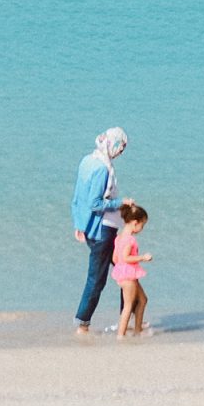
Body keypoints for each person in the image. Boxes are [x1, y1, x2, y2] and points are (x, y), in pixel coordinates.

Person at [71, 127, 130, 331]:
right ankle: (83, 322)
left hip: (95, 228)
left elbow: (78, 196)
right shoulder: (102, 169)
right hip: (102, 230)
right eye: (120, 148)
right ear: (111, 144)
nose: (120, 153)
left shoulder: (87, 161)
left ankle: (128, 317)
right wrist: (121, 203)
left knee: (127, 272)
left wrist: (79, 224)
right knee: (98, 278)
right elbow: (95, 203)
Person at [113, 203, 152, 338]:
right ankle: (120, 335)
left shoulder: (119, 237)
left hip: (123, 274)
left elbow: (115, 258)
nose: (142, 228)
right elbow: (125, 257)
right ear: (135, 223)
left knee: (143, 299)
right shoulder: (130, 239)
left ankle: (138, 330)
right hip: (128, 276)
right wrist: (142, 257)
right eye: (142, 225)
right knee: (128, 306)